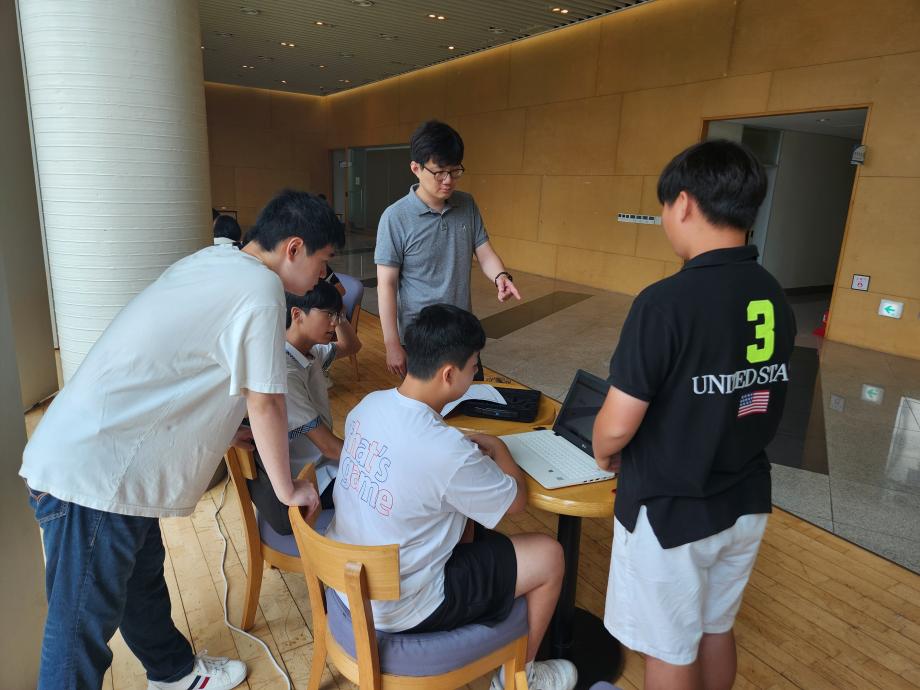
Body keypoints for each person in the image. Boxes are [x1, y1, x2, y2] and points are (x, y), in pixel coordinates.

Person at [20, 190, 344, 690]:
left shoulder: (217, 261)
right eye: (323, 262)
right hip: (93, 476)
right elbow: (266, 400)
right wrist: (287, 489)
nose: (323, 276)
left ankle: (172, 672)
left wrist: (227, 429)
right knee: (79, 630)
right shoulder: (262, 289)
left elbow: (188, 366)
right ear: (294, 248)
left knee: (142, 576)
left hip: (110, 461)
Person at [592, 140, 795, 690]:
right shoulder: (773, 294)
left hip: (671, 510)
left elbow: (616, 424)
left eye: (664, 208)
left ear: (682, 202)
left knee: (668, 648)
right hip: (745, 498)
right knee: (714, 627)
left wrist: (604, 454)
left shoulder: (664, 302)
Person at [325, 304, 577, 690]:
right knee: (550, 555)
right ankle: (520, 678)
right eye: (473, 366)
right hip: (404, 604)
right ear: (448, 374)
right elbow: (515, 503)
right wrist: (500, 450)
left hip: (348, 580)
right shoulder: (445, 450)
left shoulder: (369, 405)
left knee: (466, 522)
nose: (475, 374)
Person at [375, 120, 521, 380]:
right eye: (440, 172)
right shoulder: (395, 217)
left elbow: (484, 251)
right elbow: (386, 284)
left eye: (455, 171)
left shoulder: (467, 204)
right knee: (427, 404)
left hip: (462, 331)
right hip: (421, 337)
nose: (448, 181)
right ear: (416, 168)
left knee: (473, 398)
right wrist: (392, 344)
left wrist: (501, 276)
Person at [248, 281, 362, 535]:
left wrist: (338, 313)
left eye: (337, 315)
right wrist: (377, 459)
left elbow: (351, 346)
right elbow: (329, 447)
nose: (334, 323)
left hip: (320, 463)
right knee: (386, 487)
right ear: (297, 314)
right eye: (328, 315)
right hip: (310, 479)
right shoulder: (284, 372)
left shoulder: (308, 352)